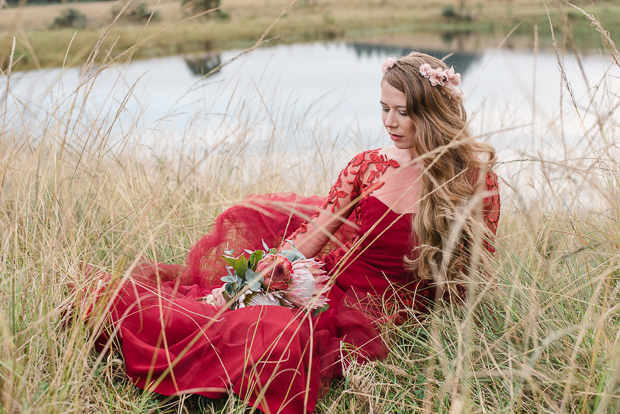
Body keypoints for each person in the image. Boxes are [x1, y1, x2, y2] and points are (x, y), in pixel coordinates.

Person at [87, 52, 500, 414]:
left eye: (403, 111)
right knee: (245, 309)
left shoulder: (472, 180)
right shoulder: (369, 165)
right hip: (333, 286)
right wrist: (276, 266)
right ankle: (132, 323)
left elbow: (472, 269)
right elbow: (320, 227)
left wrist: (454, 330)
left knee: (281, 339)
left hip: (392, 312)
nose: (389, 122)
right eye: (383, 108)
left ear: (430, 113)